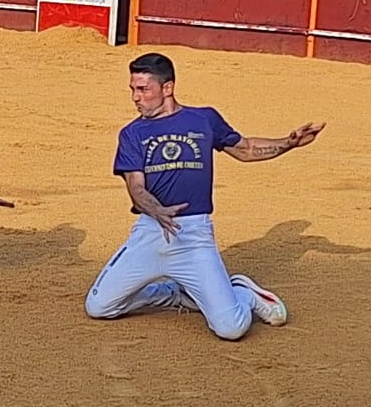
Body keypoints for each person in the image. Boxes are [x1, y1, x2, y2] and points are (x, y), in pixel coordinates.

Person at [84, 52, 324, 340]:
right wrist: (156, 210)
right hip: (150, 234)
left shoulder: (203, 119)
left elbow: (245, 149)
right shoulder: (132, 134)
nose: (136, 97)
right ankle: (175, 293)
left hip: (194, 237)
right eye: (133, 89)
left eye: (143, 89)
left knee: (231, 329)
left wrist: (289, 144)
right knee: (99, 307)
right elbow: (136, 189)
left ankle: (243, 294)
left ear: (167, 88)